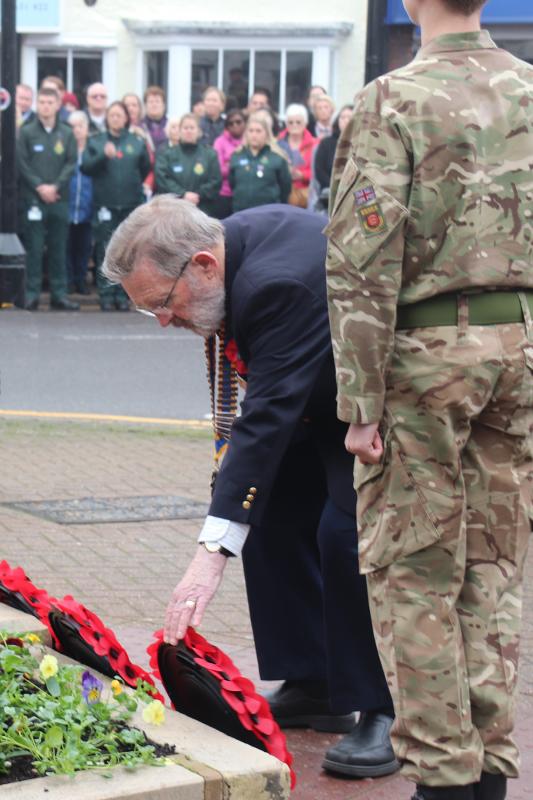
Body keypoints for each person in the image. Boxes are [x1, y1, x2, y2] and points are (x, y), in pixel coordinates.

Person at [102, 194, 398, 780]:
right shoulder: (225, 249)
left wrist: (208, 556)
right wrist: (229, 525)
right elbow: (265, 427)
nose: (163, 321)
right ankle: (315, 682)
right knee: (260, 511)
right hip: (315, 400)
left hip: (378, 410)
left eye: (162, 303)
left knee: (344, 533)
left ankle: (381, 707)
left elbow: (262, 421)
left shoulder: (275, 284)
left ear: (205, 266)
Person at [325, 0, 533, 798]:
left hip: (423, 357)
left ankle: (444, 778)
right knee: (493, 563)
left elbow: (360, 261)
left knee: (414, 569)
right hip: (518, 350)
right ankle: (488, 767)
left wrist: (360, 402)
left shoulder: (392, 100)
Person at [81, 101, 151, 311]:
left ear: (126, 118)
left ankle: (123, 294)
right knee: (105, 250)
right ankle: (106, 294)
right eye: (112, 115)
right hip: (105, 204)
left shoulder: (136, 141)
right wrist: (104, 155)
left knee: (127, 252)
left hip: (130, 205)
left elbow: (145, 166)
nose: (115, 118)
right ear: (107, 118)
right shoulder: (96, 141)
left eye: (119, 115)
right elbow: (86, 167)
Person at [17, 87, 79, 311]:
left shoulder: (66, 132)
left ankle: (58, 294)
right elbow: (22, 163)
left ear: (57, 105)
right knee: (33, 249)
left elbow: (71, 163)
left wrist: (55, 186)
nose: (45, 106)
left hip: (59, 199)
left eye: (49, 102)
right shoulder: (26, 132)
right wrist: (39, 187)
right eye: (41, 102)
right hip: (34, 199)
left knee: (58, 248)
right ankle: (31, 294)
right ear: (37, 104)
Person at [154, 114, 222, 216]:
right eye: (185, 128)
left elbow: (215, 180)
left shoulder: (209, 154)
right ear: (180, 131)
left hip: (202, 210)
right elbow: (162, 178)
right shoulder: (167, 154)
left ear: (199, 131)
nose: (189, 131)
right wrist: (183, 194)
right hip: (174, 210)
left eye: (192, 128)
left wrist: (198, 195)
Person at [229, 114, 291, 212]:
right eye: (251, 131)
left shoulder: (277, 158)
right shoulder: (236, 156)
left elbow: (285, 188)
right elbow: (232, 184)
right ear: (246, 133)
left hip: (268, 213)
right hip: (241, 212)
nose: (254, 135)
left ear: (267, 133)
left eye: (258, 131)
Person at [67, 111, 93, 295]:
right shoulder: (65, 149)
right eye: (73, 126)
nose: (76, 130)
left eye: (80, 126)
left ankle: (80, 279)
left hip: (87, 207)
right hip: (67, 207)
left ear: (87, 128)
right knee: (67, 247)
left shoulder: (92, 150)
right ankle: (68, 280)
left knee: (84, 247)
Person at [313, 104, 354, 211]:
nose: (345, 120)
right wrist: (336, 188)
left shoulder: (363, 143)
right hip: (330, 195)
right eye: (342, 117)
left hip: (355, 195)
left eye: (349, 117)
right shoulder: (326, 143)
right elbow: (319, 170)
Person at [277, 104, 317, 208]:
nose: (294, 125)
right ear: (286, 124)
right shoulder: (276, 144)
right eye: (290, 122)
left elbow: (319, 172)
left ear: (306, 123)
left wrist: (302, 175)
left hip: (306, 196)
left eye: (298, 122)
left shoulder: (315, 144)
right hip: (282, 196)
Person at [213, 109, 246, 218]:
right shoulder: (220, 142)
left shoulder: (250, 140)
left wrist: (230, 163)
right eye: (230, 123)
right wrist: (238, 166)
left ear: (245, 123)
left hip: (243, 194)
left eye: (238, 122)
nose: (235, 125)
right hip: (224, 194)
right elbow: (218, 170)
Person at [141, 86, 168, 152]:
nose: (154, 104)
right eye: (151, 102)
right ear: (145, 105)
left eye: (157, 101)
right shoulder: (139, 127)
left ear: (164, 106)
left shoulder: (170, 126)